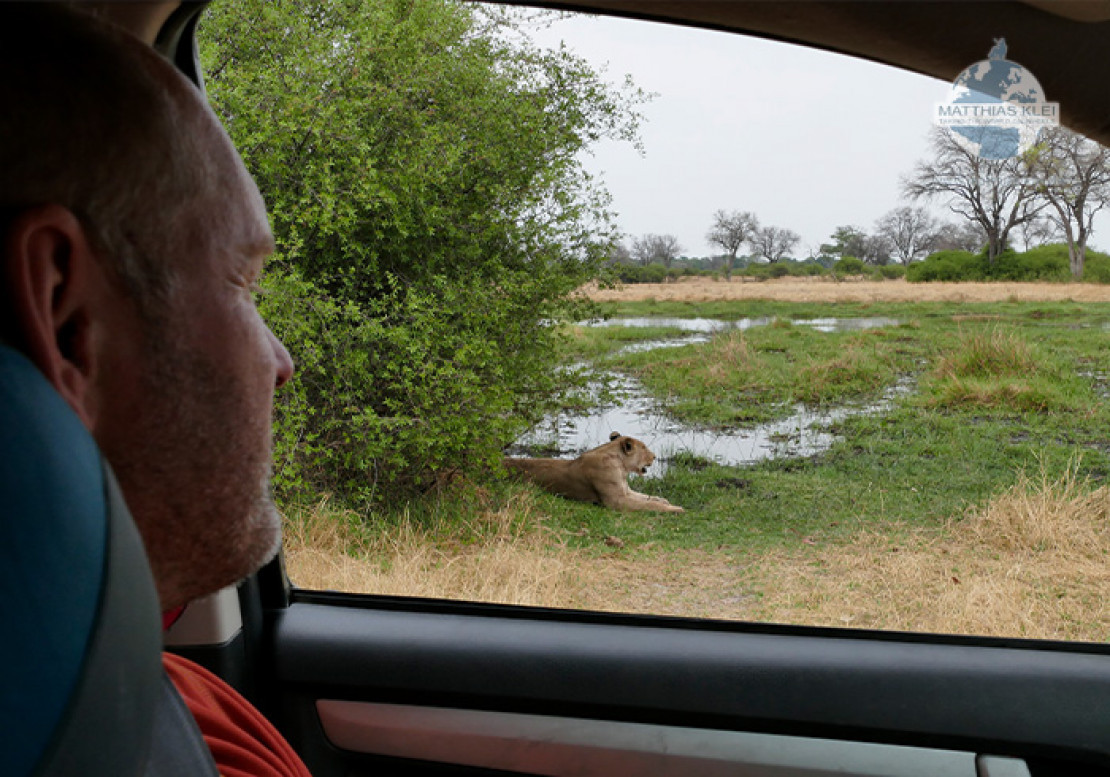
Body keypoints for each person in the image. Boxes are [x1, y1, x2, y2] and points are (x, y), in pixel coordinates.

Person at [0, 6, 308, 775]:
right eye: (243, 281)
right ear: (70, 317)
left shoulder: (163, 697)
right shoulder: (177, 728)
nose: (283, 361)